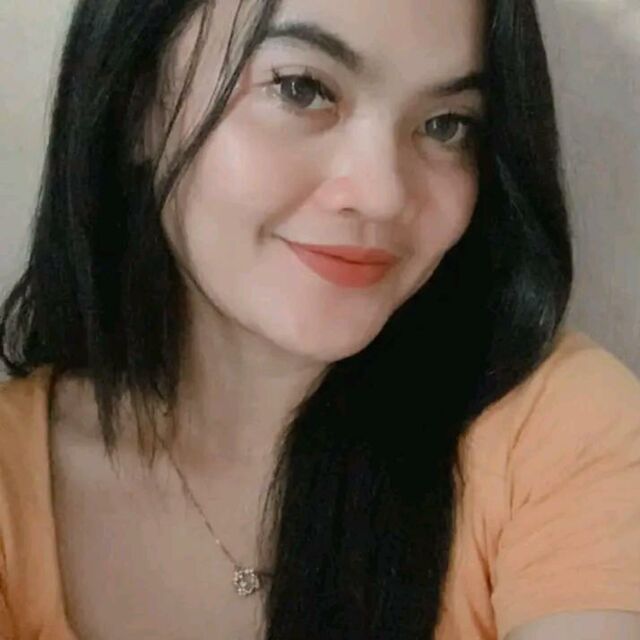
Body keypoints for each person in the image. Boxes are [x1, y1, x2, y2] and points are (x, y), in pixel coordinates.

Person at [0, 0, 639, 638]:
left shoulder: (558, 432)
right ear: (139, 102)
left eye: (446, 125)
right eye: (301, 90)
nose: (383, 194)